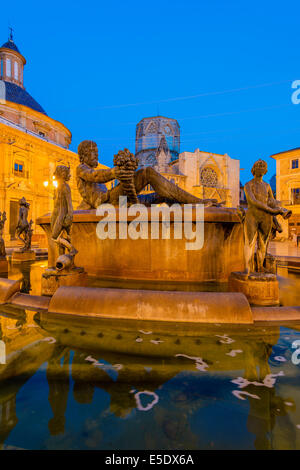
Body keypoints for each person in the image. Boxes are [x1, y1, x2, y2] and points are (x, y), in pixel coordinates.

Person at [76, 140, 218, 209]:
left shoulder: (92, 169)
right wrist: (115, 172)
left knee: (161, 195)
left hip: (118, 201)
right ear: (83, 155)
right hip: (109, 202)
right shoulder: (81, 168)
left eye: (96, 152)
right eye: (93, 152)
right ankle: (197, 201)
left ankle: (194, 206)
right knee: (147, 173)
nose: (97, 155)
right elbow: (95, 176)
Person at [243, 159, 291, 275]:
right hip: (252, 216)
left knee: (263, 243)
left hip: (266, 217)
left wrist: (279, 207)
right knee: (250, 242)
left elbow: (271, 201)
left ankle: (260, 267)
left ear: (266, 171)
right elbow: (253, 202)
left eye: (263, 166)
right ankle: (247, 268)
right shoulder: (248, 185)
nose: (261, 168)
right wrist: (273, 210)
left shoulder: (267, 186)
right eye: (259, 166)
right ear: (253, 170)